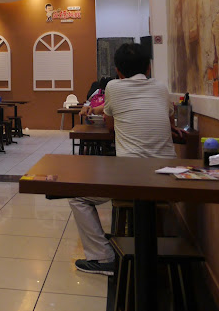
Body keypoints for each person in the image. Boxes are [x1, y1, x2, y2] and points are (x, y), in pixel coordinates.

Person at [69, 43, 180, 276]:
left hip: (132, 178)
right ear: (148, 68)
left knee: (77, 197)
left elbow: (111, 125)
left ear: (118, 71)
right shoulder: (161, 88)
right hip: (170, 178)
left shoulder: (113, 87)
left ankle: (102, 258)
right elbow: (170, 122)